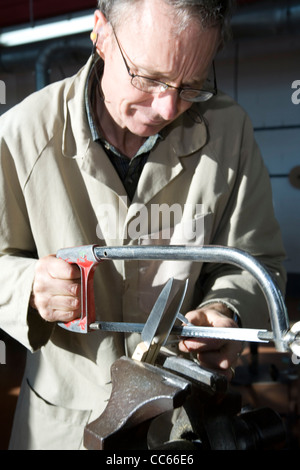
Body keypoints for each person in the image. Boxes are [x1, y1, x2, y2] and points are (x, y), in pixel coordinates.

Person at [0, 0, 286, 450]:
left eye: (192, 85)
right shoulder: (21, 134)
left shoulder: (229, 131)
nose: (168, 106)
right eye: (150, 78)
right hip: (64, 425)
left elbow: (256, 262)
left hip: (180, 422)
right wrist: (28, 287)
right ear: (101, 34)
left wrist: (225, 313)